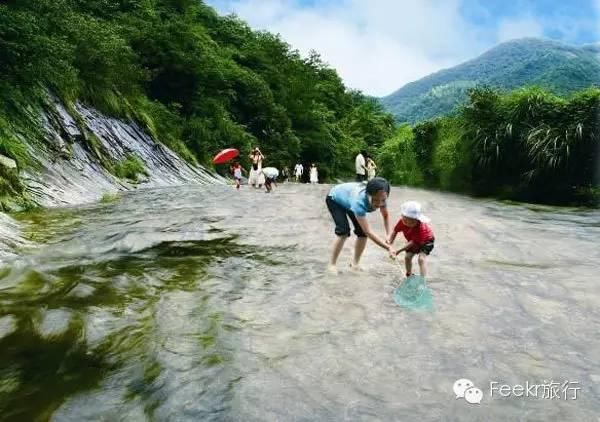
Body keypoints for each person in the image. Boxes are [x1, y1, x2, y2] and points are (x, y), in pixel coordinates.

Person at [325, 177, 395, 274]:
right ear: (367, 195)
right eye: (375, 200)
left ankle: (355, 264)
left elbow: (386, 216)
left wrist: (389, 235)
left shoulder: (382, 198)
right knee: (343, 231)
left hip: (348, 199)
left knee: (362, 233)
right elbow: (368, 231)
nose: (379, 204)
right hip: (335, 198)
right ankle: (332, 264)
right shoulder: (359, 202)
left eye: (382, 200)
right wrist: (388, 247)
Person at [388, 201, 435, 279]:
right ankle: (409, 274)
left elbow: (412, 242)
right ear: (402, 216)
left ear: (417, 220)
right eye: (405, 221)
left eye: (412, 222)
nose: (407, 224)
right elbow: (395, 231)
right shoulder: (402, 221)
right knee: (407, 257)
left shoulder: (420, 228)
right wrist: (389, 244)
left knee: (421, 259)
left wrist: (398, 251)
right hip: (413, 241)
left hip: (427, 241)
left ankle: (422, 279)